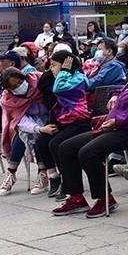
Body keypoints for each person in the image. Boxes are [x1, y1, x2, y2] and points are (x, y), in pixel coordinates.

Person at [51, 40, 128, 217]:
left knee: (87, 153)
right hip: (114, 127)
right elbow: (122, 91)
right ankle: (76, 198)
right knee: (65, 148)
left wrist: (117, 121)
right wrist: (114, 96)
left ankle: (105, 199)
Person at [33, 47, 93, 198]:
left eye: (54, 65)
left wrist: (64, 71)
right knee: (41, 141)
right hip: (65, 122)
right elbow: (43, 84)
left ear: (66, 65)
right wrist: (58, 70)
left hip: (80, 122)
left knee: (56, 144)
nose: (51, 69)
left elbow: (58, 89)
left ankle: (68, 182)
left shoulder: (77, 78)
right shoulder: (62, 77)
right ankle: (54, 177)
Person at [0, 67, 47, 195]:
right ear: (9, 89)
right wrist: (38, 129)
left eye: (20, 82)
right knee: (25, 133)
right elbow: (20, 121)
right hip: (29, 125)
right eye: (14, 86)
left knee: (34, 135)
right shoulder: (8, 100)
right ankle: (11, 173)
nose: (19, 86)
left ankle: (42, 171)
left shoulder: (38, 80)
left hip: (50, 118)